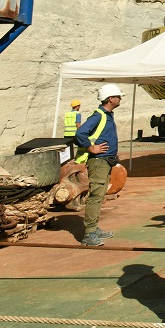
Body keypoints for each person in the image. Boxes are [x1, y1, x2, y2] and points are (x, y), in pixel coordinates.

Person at [74, 84, 121, 246]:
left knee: (100, 195)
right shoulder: (99, 115)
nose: (120, 98)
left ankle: (94, 229)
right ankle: (89, 234)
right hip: (99, 161)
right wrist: (91, 147)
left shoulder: (107, 115)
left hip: (105, 160)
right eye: (118, 96)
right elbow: (80, 133)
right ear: (110, 99)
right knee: (95, 195)